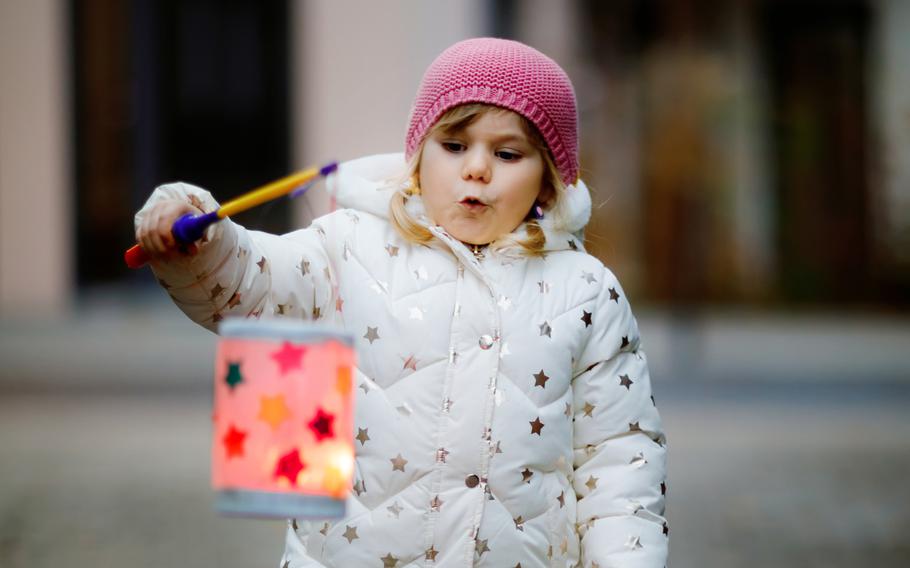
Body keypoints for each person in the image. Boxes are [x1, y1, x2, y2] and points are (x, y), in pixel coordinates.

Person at [135, 37, 668, 568]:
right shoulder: (348, 247)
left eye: (507, 153)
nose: (477, 169)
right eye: (454, 145)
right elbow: (251, 282)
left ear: (548, 183)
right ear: (417, 155)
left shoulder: (586, 292)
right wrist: (199, 239)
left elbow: (618, 458)